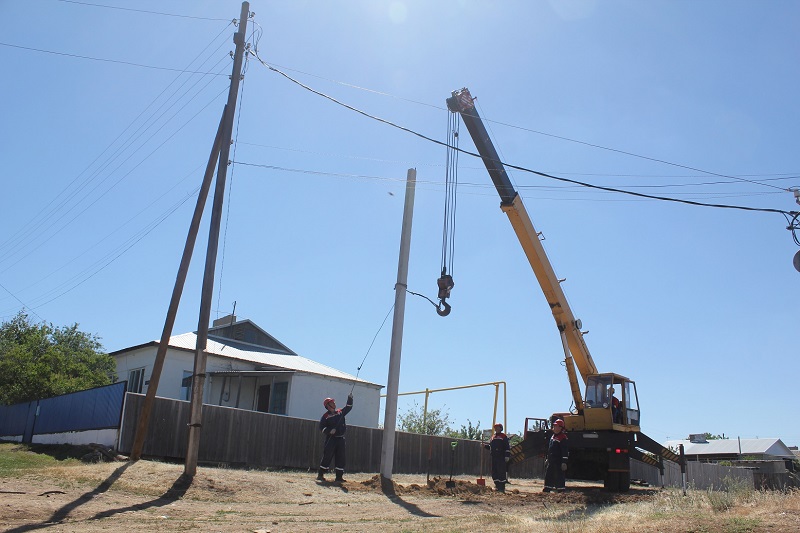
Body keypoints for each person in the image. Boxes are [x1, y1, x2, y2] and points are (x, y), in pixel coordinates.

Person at [317, 393, 353, 483]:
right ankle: (320, 475)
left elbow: (348, 407)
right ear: (328, 405)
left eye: (334, 402)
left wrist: (350, 399)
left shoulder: (340, 412)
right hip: (331, 440)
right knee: (327, 456)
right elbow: (321, 427)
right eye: (332, 402)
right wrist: (329, 431)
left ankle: (339, 477)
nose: (334, 403)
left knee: (341, 457)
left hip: (340, 439)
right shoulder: (325, 416)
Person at [543, 418, 569, 493]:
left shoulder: (563, 438)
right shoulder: (553, 436)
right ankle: (547, 489)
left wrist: (564, 462)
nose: (554, 428)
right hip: (551, 460)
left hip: (558, 461)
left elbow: (565, 451)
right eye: (554, 426)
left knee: (559, 475)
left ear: (560, 428)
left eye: (556, 426)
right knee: (549, 475)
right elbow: (550, 449)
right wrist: (548, 458)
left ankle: (561, 490)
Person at [483, 423, 511, 492]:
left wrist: (507, 456)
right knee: (494, 472)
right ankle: (497, 486)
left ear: (501, 428)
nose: (496, 428)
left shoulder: (503, 436)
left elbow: (507, 447)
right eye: (495, 427)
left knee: (501, 471)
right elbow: (490, 447)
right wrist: (484, 446)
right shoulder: (493, 437)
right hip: (494, 457)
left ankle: (502, 487)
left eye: (497, 427)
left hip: (501, 457)